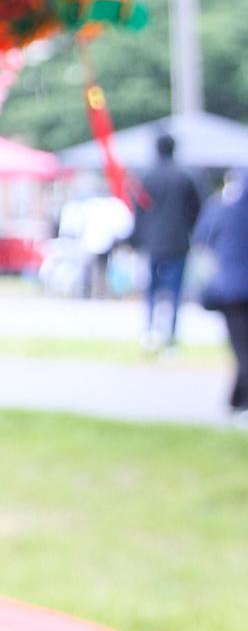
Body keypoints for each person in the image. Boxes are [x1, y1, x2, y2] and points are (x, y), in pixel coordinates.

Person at [134, 130, 205, 351]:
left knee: (151, 290)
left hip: (152, 241)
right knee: (175, 291)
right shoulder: (186, 176)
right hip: (178, 241)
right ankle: (171, 339)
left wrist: (137, 239)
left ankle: (149, 333)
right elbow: (196, 210)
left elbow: (139, 210)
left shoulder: (146, 176)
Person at [201, 172, 248, 417]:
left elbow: (204, 237)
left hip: (232, 290)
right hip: (235, 289)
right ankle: (237, 402)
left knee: (241, 348)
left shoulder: (225, 209)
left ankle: (237, 402)